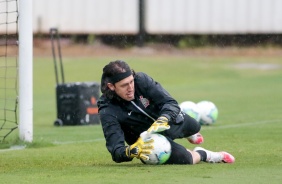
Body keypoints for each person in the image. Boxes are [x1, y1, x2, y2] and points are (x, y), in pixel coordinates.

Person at [97, 60, 235, 165]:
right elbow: (116, 151)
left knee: (194, 126)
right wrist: (131, 151)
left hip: (166, 122)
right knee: (186, 160)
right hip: (148, 141)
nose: (130, 88)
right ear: (111, 86)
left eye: (131, 82)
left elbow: (170, 103)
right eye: (124, 85)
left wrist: (164, 118)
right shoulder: (107, 110)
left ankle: (190, 133)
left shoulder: (142, 80)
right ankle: (204, 154)